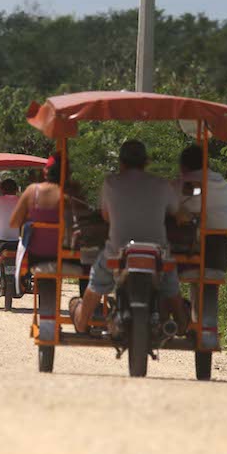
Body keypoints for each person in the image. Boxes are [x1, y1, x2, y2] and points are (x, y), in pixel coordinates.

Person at [70, 140, 185, 334]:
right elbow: (177, 213)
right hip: (157, 254)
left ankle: (82, 320)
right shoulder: (161, 184)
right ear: (146, 162)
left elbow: (106, 216)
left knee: (96, 283)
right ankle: (182, 323)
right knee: (171, 288)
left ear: (121, 163)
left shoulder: (110, 183)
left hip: (117, 252)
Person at [174, 144, 227, 272]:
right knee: (208, 289)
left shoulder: (182, 185)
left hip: (187, 246)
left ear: (184, 166)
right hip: (220, 247)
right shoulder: (223, 185)